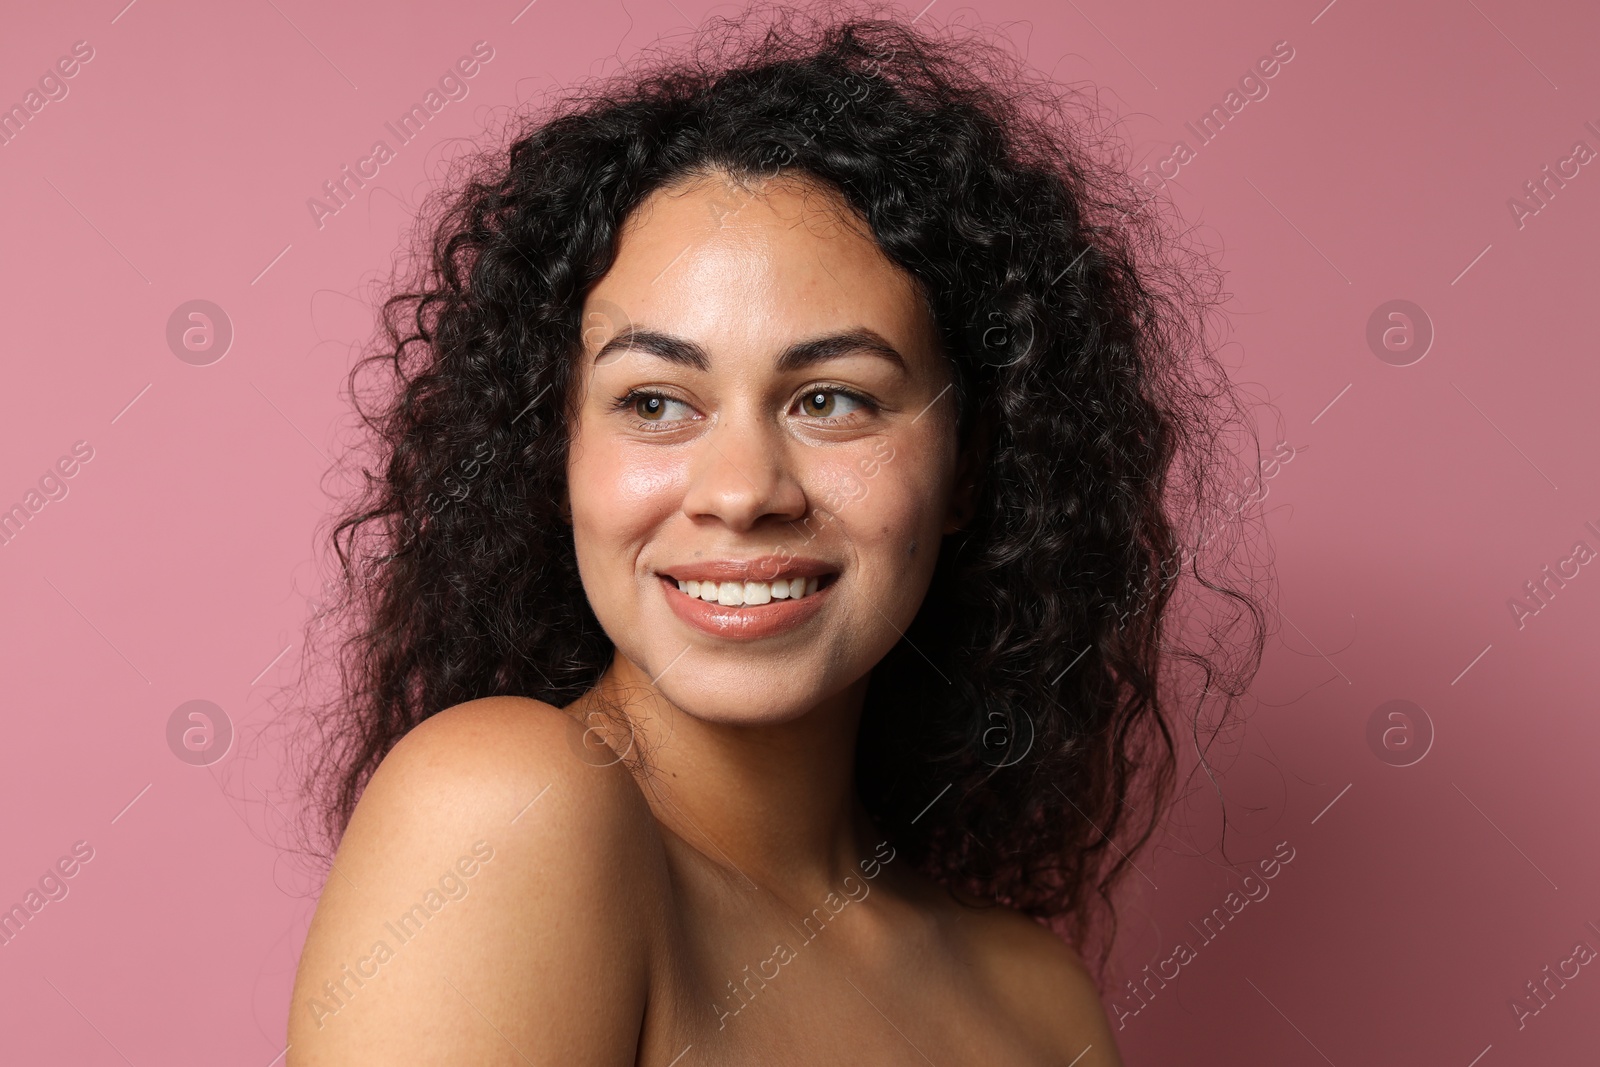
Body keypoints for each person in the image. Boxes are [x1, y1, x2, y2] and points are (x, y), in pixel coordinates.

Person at [284, 5, 1265, 1062]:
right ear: (554, 453)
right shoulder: (501, 812)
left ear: (967, 469)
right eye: (655, 402)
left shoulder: (1040, 1006)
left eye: (833, 399)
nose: (743, 491)